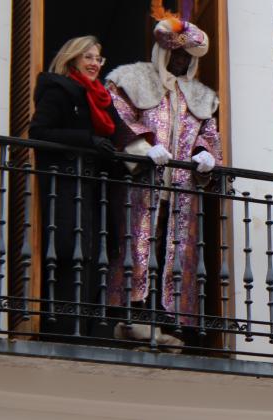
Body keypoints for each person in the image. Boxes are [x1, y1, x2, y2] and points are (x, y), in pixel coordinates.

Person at [105, 7, 219, 346]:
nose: (182, 62)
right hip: (140, 184)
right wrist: (142, 147)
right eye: (177, 54)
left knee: (174, 252)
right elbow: (118, 115)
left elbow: (208, 133)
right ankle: (131, 317)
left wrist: (206, 154)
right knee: (137, 246)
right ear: (164, 52)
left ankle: (166, 321)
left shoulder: (201, 96)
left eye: (187, 56)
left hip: (181, 191)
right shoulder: (132, 78)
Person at [29, 35, 132, 339]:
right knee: (69, 251)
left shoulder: (101, 97)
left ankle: (92, 329)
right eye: (88, 57)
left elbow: (115, 139)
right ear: (73, 58)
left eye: (98, 59)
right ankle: (63, 328)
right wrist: (87, 141)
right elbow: (40, 131)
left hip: (94, 189)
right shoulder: (58, 89)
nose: (94, 64)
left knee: (95, 254)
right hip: (65, 185)